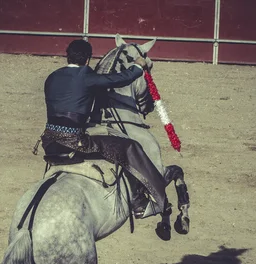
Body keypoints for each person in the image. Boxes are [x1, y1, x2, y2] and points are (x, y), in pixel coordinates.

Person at [41, 39, 166, 219]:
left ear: (67, 56)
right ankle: (143, 202)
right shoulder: (87, 76)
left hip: (49, 142)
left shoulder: (52, 77)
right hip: (75, 142)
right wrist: (138, 67)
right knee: (130, 147)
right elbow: (119, 79)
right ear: (87, 60)